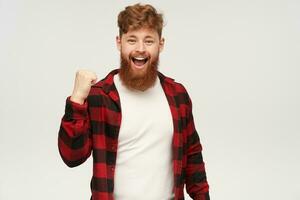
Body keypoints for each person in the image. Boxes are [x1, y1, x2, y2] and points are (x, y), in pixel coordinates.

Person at [58, 3, 210, 200]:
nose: (140, 49)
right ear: (119, 42)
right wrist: (77, 99)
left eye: (149, 41)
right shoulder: (100, 96)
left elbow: (193, 158)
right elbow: (72, 156)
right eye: (132, 40)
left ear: (160, 44)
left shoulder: (177, 95)